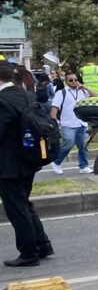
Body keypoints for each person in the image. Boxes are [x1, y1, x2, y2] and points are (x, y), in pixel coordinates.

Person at [0, 62, 53, 267]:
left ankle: (29, 253)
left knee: (17, 208)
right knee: (24, 204)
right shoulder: (26, 94)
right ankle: (42, 244)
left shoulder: (3, 100)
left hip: (8, 164)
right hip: (28, 160)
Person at [48, 71, 97, 175]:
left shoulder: (82, 91)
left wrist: (86, 88)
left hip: (81, 123)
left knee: (83, 146)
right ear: (66, 82)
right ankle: (56, 162)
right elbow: (54, 108)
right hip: (67, 124)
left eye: (76, 80)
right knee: (68, 143)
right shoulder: (61, 93)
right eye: (71, 80)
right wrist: (54, 122)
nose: (74, 82)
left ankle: (84, 166)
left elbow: (97, 97)